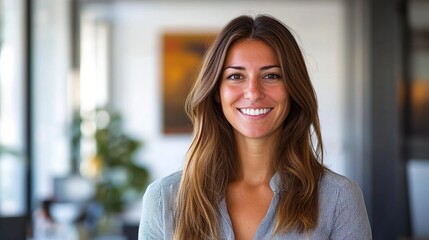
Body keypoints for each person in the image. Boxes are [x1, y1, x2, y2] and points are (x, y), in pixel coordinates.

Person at [139, 14, 372, 240]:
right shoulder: (164, 199)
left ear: (293, 89)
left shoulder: (339, 198)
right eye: (235, 76)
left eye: (271, 76)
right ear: (216, 92)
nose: (253, 92)